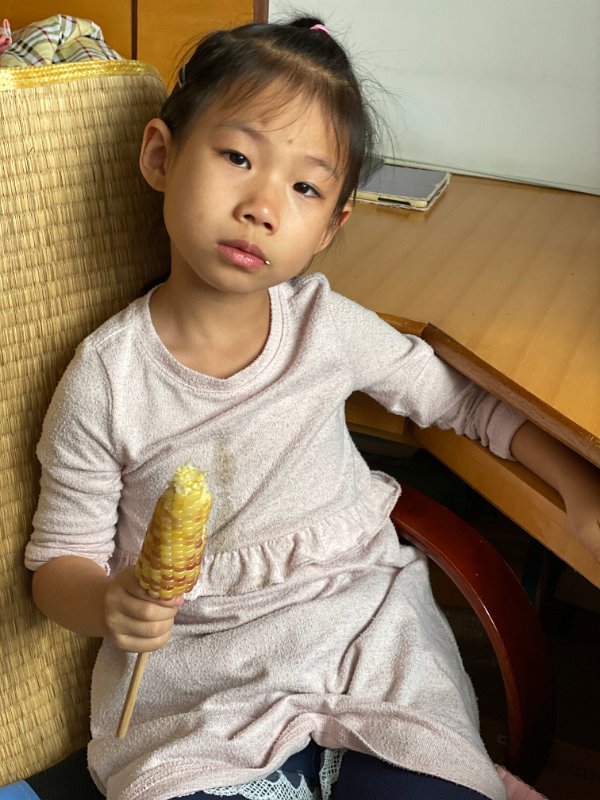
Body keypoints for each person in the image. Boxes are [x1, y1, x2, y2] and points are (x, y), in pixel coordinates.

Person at [24, 16, 599, 800]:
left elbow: (462, 401)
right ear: (161, 155)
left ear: (331, 226)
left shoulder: (326, 328)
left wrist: (575, 484)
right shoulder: (106, 380)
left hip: (366, 642)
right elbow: (58, 565)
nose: (263, 205)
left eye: (305, 188)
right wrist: (108, 603)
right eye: (237, 157)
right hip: (200, 686)